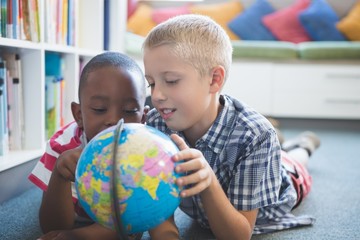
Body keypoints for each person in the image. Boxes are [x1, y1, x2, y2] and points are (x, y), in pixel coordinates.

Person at [142, 14, 320, 239]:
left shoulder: (257, 136)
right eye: (151, 83)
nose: (156, 96)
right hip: (246, 154)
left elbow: (238, 235)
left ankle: (303, 146)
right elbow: (157, 206)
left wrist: (209, 181)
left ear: (214, 79)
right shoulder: (156, 125)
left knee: (294, 162)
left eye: (171, 81)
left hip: (284, 183)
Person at [28, 52, 149, 240]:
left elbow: (136, 226)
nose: (114, 121)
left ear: (143, 118)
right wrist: (60, 174)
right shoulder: (63, 146)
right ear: (78, 115)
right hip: (76, 213)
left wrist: (81, 236)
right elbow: (52, 227)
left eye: (129, 111)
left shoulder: (146, 149)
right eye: (100, 109)